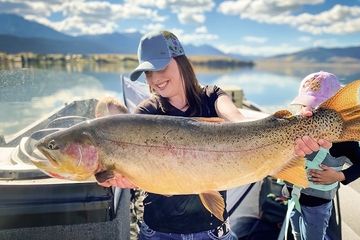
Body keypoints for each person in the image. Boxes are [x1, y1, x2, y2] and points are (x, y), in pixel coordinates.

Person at [97, 30, 331, 240]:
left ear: (181, 61)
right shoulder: (145, 114)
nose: (155, 78)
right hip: (158, 231)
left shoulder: (213, 96)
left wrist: (298, 131)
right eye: (147, 72)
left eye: (160, 67)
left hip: (212, 231)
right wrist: (120, 176)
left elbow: (238, 122)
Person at [285, 71, 360, 240]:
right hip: (293, 197)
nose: (310, 112)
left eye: (318, 108)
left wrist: (338, 175)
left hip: (318, 205)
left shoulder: (345, 140)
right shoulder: (295, 129)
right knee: (296, 233)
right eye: (306, 106)